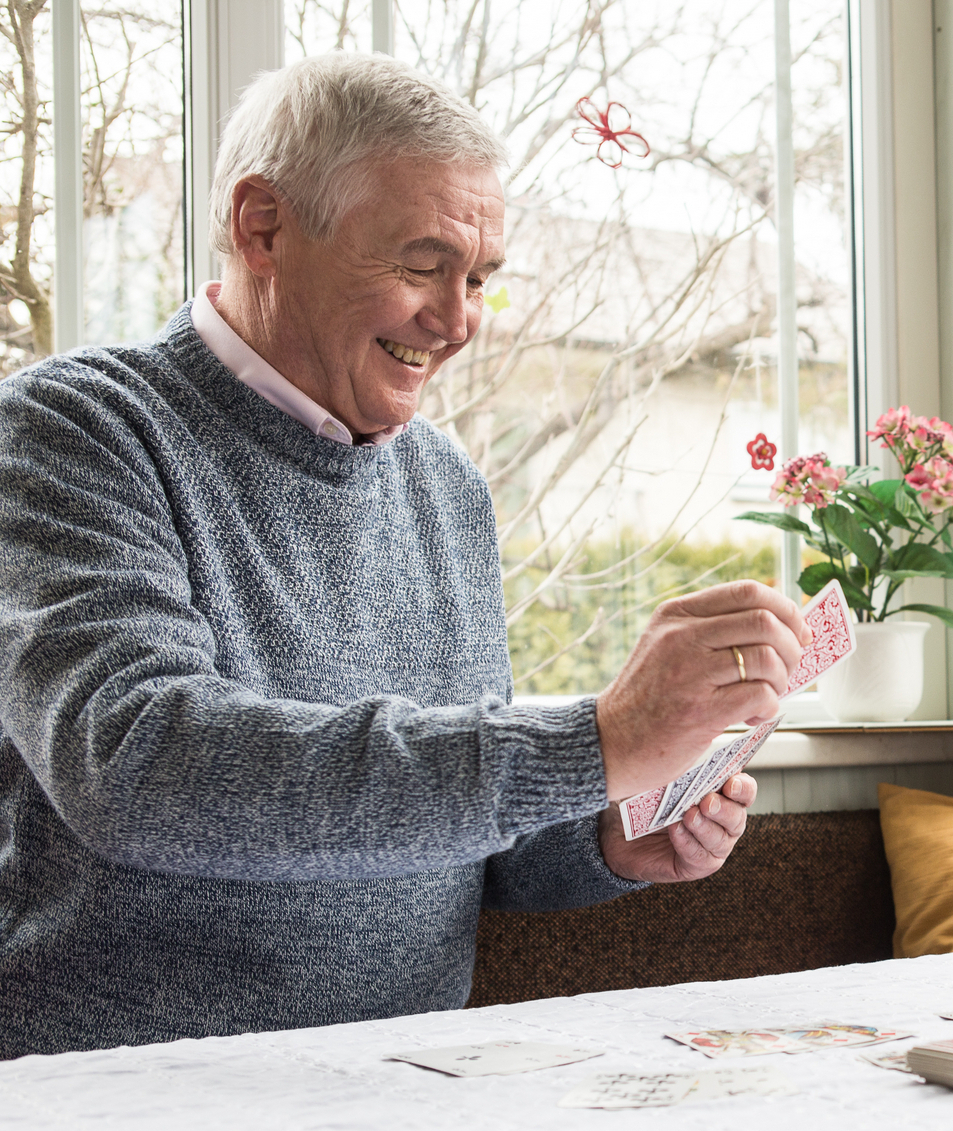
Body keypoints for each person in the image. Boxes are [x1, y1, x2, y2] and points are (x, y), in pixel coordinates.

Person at [0, 54, 809, 1058]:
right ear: (263, 228)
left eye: (478, 279)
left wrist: (610, 833)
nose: (459, 318)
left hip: (405, 1080)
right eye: (421, 266)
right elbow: (134, 767)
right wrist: (590, 744)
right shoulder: (76, 427)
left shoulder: (445, 482)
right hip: (126, 1085)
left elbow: (464, 843)